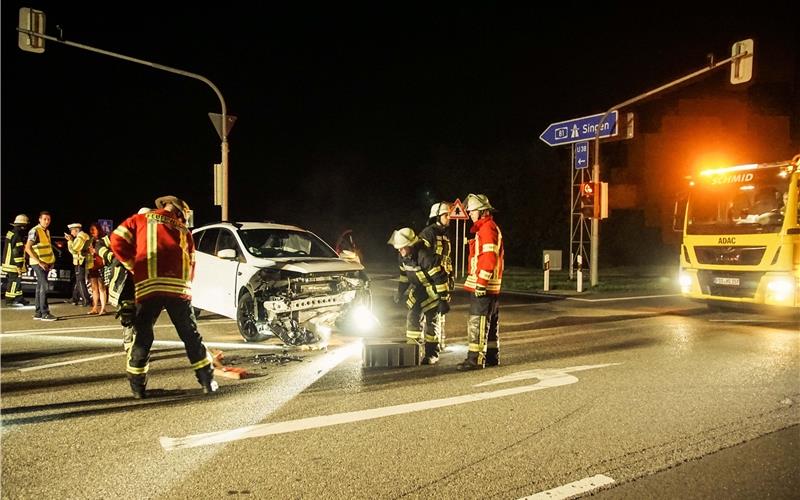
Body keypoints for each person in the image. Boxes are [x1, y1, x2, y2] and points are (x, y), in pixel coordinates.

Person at [110, 196, 217, 398]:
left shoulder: (140, 220)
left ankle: (138, 389)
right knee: (191, 337)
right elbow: (192, 262)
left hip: (148, 287)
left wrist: (135, 266)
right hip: (178, 289)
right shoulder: (184, 231)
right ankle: (207, 382)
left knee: (143, 337)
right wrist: (186, 286)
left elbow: (116, 240)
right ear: (178, 212)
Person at [388, 227, 450, 365]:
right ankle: (412, 352)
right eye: (398, 248)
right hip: (419, 289)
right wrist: (400, 291)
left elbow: (440, 278)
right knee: (412, 316)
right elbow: (404, 276)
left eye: (402, 247)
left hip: (433, 289)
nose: (400, 251)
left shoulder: (425, 256)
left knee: (431, 321)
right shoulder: (402, 256)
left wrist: (443, 300)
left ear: (411, 245)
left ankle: (432, 353)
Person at [459, 193, 504, 370]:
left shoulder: (487, 229)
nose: (470, 214)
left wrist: (481, 282)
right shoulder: (487, 228)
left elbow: (489, 256)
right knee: (490, 324)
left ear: (482, 211)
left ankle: (474, 359)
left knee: (477, 321)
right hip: (490, 286)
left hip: (484, 286)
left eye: (472, 211)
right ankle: (492, 356)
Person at [99, 207, 150, 351]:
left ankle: (138, 343)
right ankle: (129, 344)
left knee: (143, 315)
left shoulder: (153, 234)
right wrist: (111, 257)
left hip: (145, 281)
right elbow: (100, 244)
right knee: (127, 313)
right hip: (126, 280)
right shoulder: (127, 232)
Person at [419, 201, 454, 346]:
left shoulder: (445, 235)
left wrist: (449, 278)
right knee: (430, 314)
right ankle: (429, 347)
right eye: (445, 215)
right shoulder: (428, 233)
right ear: (437, 216)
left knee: (440, 314)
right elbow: (425, 259)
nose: (449, 217)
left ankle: (438, 343)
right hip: (430, 281)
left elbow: (446, 259)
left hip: (442, 280)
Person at [24, 211, 57, 321]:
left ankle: (38, 312)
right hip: (38, 263)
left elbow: (47, 248)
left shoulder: (46, 231)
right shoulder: (35, 231)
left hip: (45, 263)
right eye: (44, 219)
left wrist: (51, 261)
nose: (47, 221)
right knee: (44, 286)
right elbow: (27, 248)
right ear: (39, 219)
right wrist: (39, 262)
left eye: (48, 219)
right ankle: (45, 313)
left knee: (40, 287)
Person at [2, 214, 31, 307]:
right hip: (13, 263)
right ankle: (10, 300)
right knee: (14, 281)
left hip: (8, 261)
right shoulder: (17, 235)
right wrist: (19, 265)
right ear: (22, 225)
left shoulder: (11, 233)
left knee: (17, 281)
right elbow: (16, 251)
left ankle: (19, 298)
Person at [65, 223, 91, 306]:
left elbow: (74, 249)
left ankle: (86, 300)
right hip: (80, 261)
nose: (71, 233)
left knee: (80, 281)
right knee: (78, 280)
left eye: (71, 231)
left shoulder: (80, 237)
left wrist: (69, 241)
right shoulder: (83, 236)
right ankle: (74, 298)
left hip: (80, 261)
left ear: (76, 230)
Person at [86, 223, 108, 315]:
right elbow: (85, 252)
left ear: (99, 230)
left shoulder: (103, 240)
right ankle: (95, 307)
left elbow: (106, 251)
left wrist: (95, 251)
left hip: (100, 265)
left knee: (101, 287)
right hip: (92, 265)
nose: (92, 232)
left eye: (94, 229)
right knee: (94, 288)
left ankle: (103, 308)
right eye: (91, 229)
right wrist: (88, 251)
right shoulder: (90, 241)